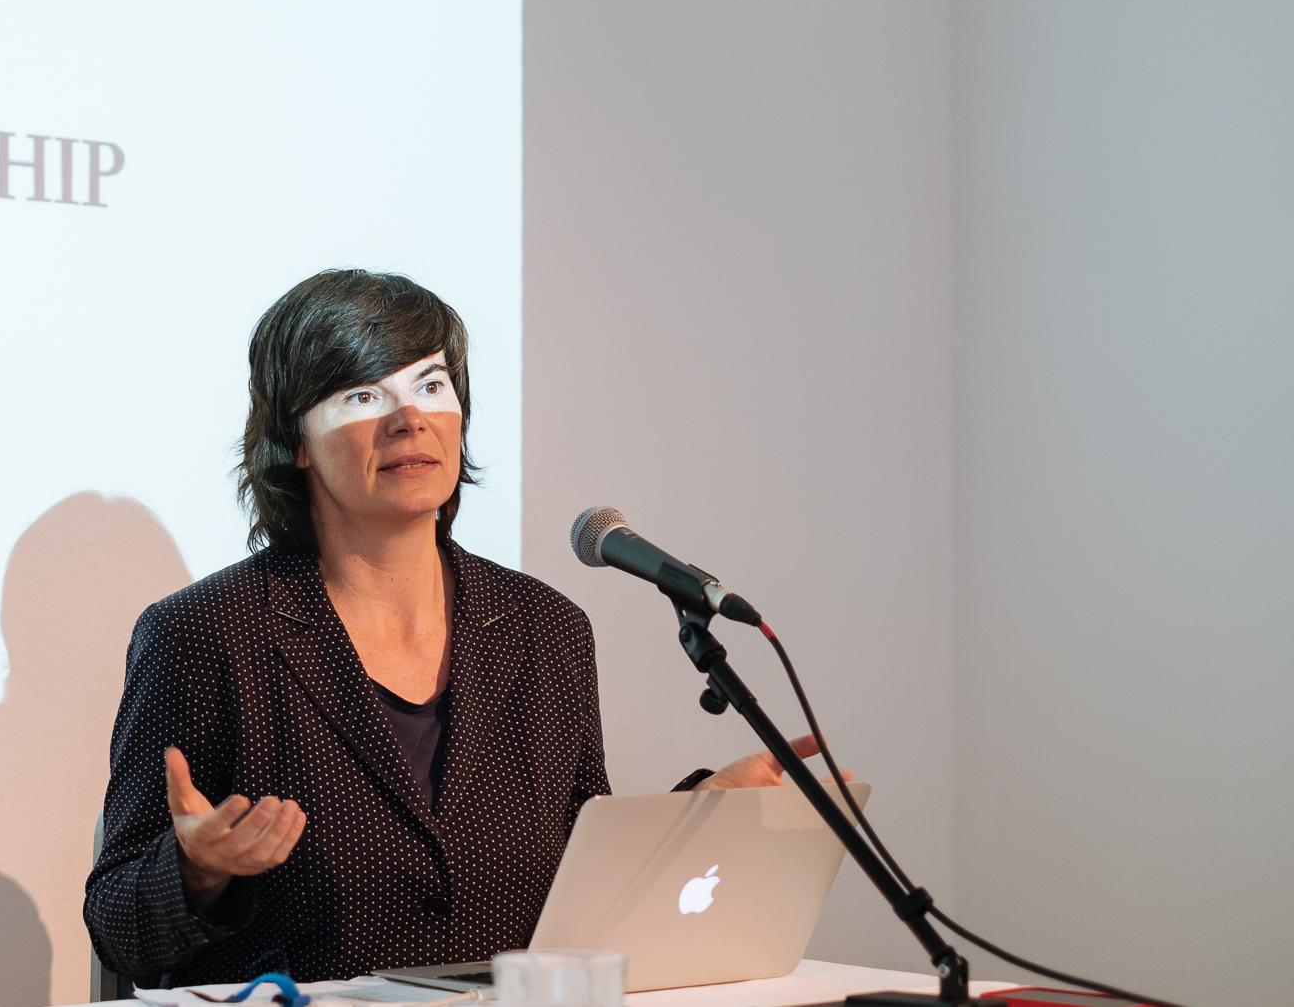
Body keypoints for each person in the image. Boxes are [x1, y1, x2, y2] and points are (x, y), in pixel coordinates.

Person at [83, 270, 841, 986]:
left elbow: (578, 882)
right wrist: (196, 870)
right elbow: (118, 927)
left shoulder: (546, 628)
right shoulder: (204, 634)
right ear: (296, 441)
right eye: (362, 395)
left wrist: (701, 816)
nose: (409, 418)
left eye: (431, 385)